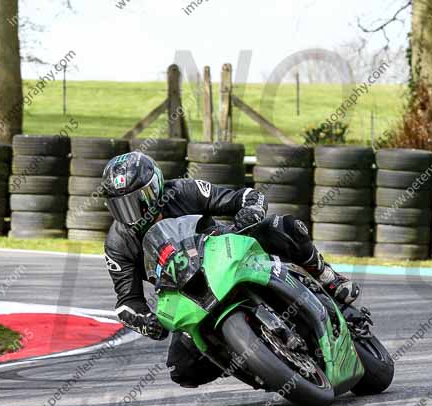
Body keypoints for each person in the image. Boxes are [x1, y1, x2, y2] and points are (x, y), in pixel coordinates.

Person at [102, 152, 360, 387]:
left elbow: (244, 197)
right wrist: (144, 321)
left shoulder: (183, 191)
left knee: (285, 227)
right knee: (183, 370)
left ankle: (329, 278)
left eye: (136, 201)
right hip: (186, 294)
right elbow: (128, 301)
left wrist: (250, 210)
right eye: (120, 206)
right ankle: (257, 364)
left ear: (155, 188)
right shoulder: (117, 244)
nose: (130, 212)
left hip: (225, 253)